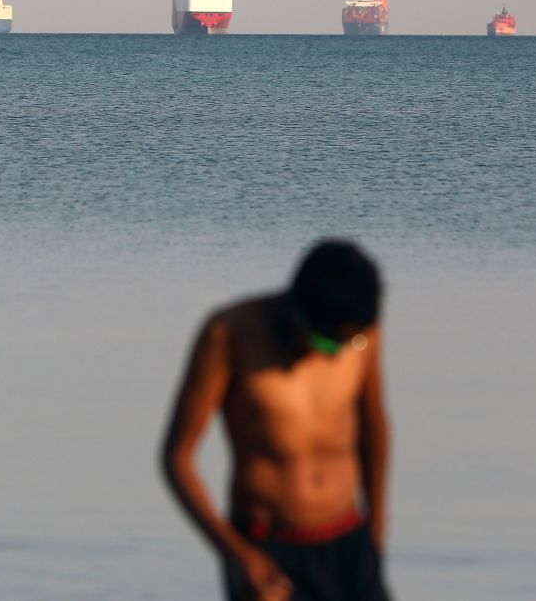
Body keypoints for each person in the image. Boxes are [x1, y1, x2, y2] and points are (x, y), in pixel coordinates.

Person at [161, 240, 391, 601]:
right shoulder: (229, 334)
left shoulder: (359, 330)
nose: (336, 356)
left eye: (349, 343)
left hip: (350, 543)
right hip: (266, 554)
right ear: (296, 311)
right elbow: (177, 458)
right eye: (329, 345)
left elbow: (373, 428)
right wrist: (236, 554)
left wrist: (376, 531)